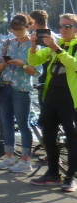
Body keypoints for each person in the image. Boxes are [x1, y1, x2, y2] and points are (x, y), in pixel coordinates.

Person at [27, 13, 77, 191]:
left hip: (71, 98)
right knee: (48, 133)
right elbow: (34, 60)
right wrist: (33, 45)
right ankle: (53, 173)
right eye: (61, 26)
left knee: (73, 137)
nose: (63, 29)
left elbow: (75, 65)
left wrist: (56, 48)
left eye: (68, 26)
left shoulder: (65, 46)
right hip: (52, 95)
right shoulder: (57, 44)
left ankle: (71, 176)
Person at [0, 14, 40, 173]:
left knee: (23, 124)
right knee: (6, 124)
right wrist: (3, 64)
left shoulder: (33, 46)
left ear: (27, 27)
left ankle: (25, 160)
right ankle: (9, 157)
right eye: (14, 29)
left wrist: (23, 65)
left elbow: (37, 72)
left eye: (19, 29)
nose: (16, 32)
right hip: (4, 86)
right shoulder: (7, 43)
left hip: (21, 88)